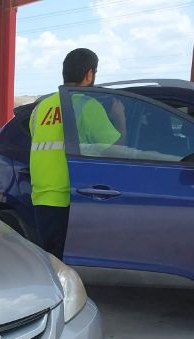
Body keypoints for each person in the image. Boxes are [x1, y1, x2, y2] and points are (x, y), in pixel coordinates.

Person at [28, 47, 126, 259]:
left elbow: (36, 138)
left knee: (50, 260)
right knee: (64, 264)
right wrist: (121, 120)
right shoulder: (87, 105)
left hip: (41, 194)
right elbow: (115, 149)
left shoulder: (42, 107)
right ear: (89, 74)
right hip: (69, 196)